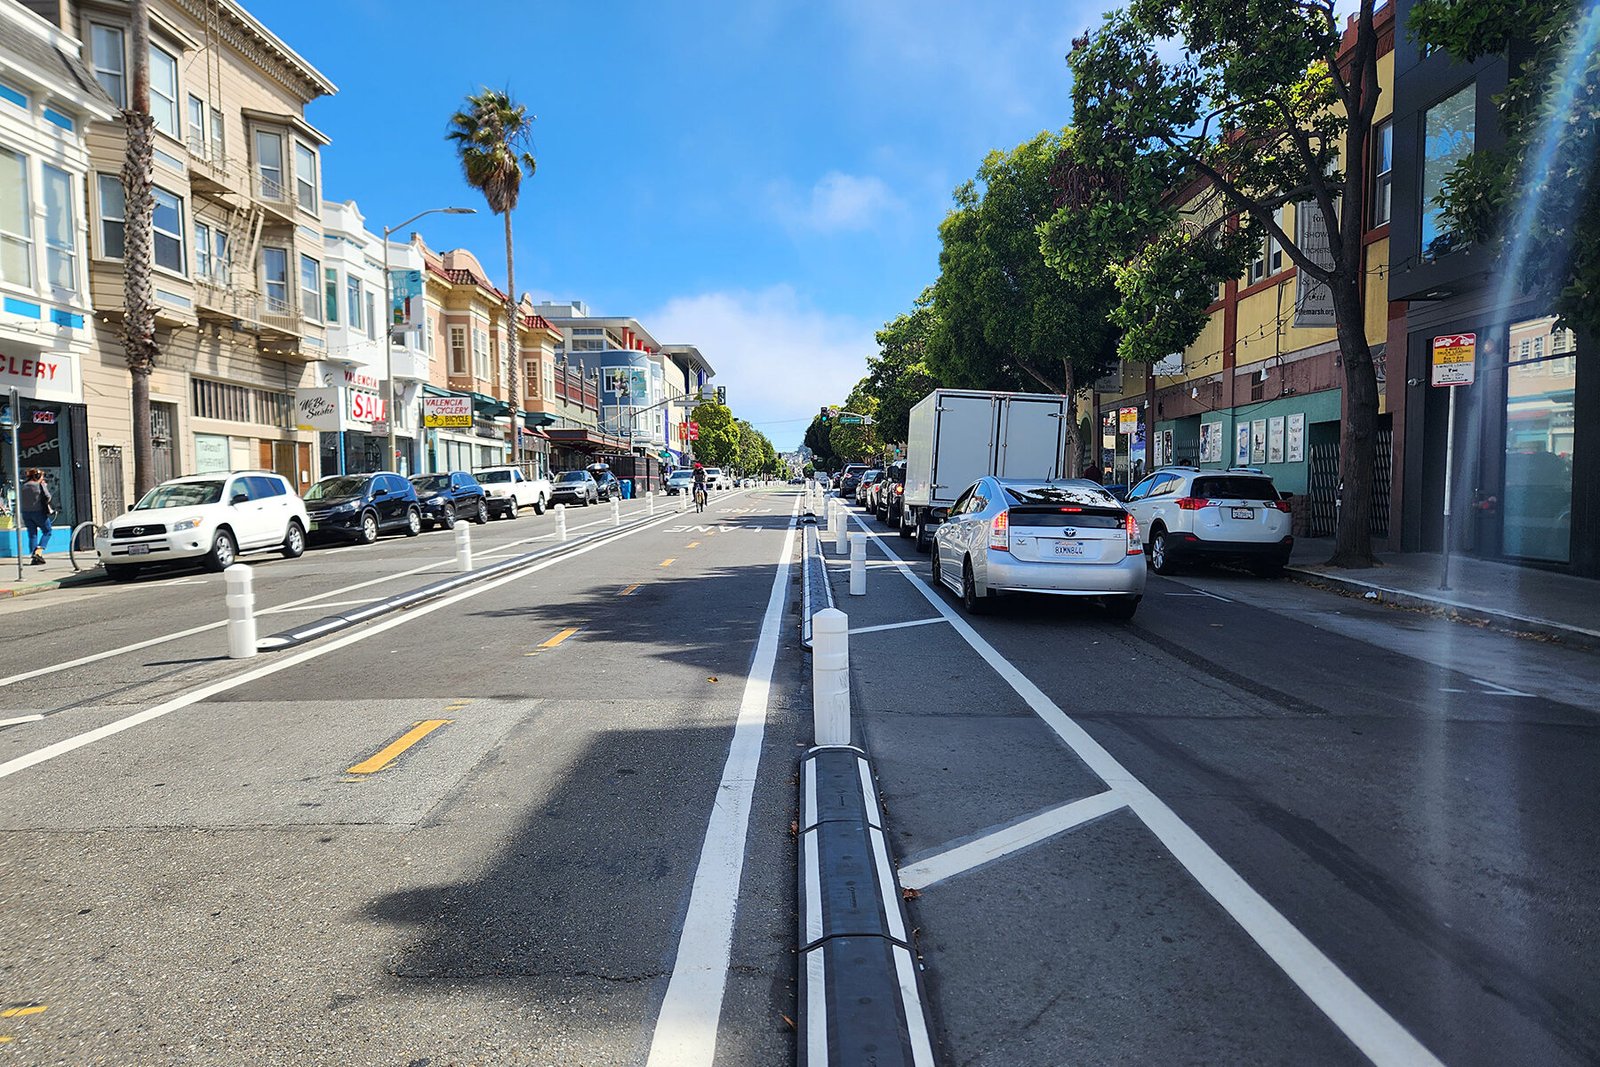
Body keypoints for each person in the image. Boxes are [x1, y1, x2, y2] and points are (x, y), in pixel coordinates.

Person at [20, 468, 53, 566]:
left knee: (32, 534)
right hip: (38, 512)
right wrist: (44, 486)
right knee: (47, 531)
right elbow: (48, 497)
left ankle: (34, 557)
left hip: (26, 513)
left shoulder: (23, 486)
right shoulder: (39, 485)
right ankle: (38, 552)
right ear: (38, 477)